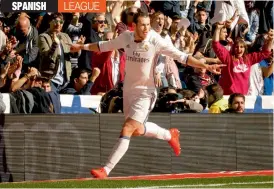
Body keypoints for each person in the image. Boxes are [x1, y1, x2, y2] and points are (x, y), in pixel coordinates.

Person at [70, 10, 225, 179]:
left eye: (147, 25)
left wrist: (206, 66)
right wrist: (81, 46)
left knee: (128, 128)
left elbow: (182, 57)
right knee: (136, 130)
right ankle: (168, 134)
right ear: (134, 26)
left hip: (146, 92)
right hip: (128, 90)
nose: (146, 28)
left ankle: (105, 170)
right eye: (142, 25)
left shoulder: (154, 40)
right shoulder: (126, 37)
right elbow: (103, 46)